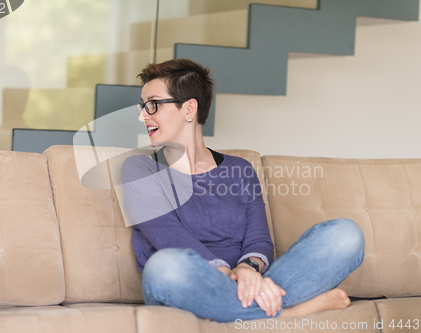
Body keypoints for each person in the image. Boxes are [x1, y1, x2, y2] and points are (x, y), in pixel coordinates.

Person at [120, 58, 364, 323]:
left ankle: (244, 309)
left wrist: (248, 269)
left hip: (248, 280)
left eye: (153, 104)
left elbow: (259, 240)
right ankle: (290, 312)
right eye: (143, 106)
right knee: (164, 267)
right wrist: (230, 274)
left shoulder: (241, 170)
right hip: (189, 285)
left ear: (189, 108)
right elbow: (170, 237)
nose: (143, 115)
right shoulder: (139, 170)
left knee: (346, 235)